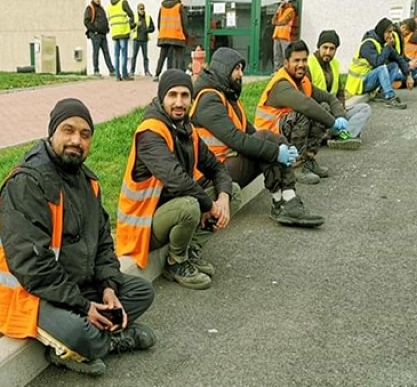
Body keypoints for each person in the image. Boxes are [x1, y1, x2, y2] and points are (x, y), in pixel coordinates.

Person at [0, 98, 155, 377]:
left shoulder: (87, 182)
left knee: (142, 292)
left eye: (85, 134)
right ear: (52, 132)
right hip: (30, 295)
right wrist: (84, 306)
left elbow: (102, 242)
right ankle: (98, 341)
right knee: (79, 331)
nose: (76, 140)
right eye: (68, 130)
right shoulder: (27, 183)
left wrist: (108, 288)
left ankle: (89, 342)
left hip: (77, 287)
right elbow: (33, 268)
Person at [117, 70, 234, 290]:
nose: (179, 102)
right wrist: (209, 206)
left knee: (232, 191)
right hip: (142, 227)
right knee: (190, 205)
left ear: (191, 99)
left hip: (167, 211)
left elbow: (217, 168)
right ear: (162, 98)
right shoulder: (150, 133)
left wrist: (224, 198)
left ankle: (190, 251)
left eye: (184, 95)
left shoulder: (188, 130)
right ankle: (175, 262)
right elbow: (177, 181)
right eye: (172, 95)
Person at [190, 47, 325, 226]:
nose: (241, 74)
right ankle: (282, 202)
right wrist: (275, 152)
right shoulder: (209, 100)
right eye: (237, 69)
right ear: (224, 69)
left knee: (270, 138)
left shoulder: (227, 97)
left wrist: (281, 146)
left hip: (223, 166)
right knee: (266, 142)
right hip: (208, 176)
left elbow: (251, 132)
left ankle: (286, 200)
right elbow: (236, 140)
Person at [255, 40, 347, 184]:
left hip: (284, 130)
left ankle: (307, 158)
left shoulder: (303, 81)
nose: (301, 64)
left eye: (304, 60)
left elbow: (328, 98)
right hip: (269, 136)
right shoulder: (281, 84)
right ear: (286, 63)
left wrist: (340, 116)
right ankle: (295, 165)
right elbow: (306, 105)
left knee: (323, 107)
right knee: (303, 113)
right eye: (296, 60)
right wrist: (332, 122)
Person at [307, 30, 372, 150]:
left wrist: (341, 111)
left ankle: (342, 136)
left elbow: (340, 92)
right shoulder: (308, 64)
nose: (328, 52)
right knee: (324, 106)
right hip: (319, 114)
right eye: (325, 47)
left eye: (332, 49)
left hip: (334, 111)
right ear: (318, 47)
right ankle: (337, 134)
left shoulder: (335, 64)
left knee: (364, 108)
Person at [344, 18, 409, 110]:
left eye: (391, 32)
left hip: (368, 79)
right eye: (388, 32)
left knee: (394, 65)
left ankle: (382, 92)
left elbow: (398, 58)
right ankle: (390, 97)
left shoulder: (382, 42)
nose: (391, 35)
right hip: (359, 83)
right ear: (382, 31)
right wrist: (387, 47)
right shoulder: (368, 44)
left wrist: (408, 74)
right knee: (382, 68)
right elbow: (377, 63)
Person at [153, 0, 189, 81]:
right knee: (179, 57)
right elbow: (184, 23)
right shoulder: (179, 6)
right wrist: (186, 35)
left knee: (162, 57)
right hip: (177, 35)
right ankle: (181, 76)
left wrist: (162, 32)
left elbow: (159, 23)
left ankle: (157, 74)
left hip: (164, 35)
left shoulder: (162, 7)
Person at [84, 0, 116, 77]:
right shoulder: (90, 8)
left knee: (106, 52)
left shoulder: (101, 8)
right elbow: (86, 21)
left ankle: (111, 70)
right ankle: (96, 70)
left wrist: (107, 28)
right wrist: (94, 30)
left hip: (103, 34)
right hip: (95, 34)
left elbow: (104, 20)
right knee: (96, 52)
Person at [109, 0, 136, 81]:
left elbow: (110, 18)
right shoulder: (123, 2)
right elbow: (131, 14)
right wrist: (131, 23)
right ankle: (124, 75)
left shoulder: (110, 6)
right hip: (123, 32)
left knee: (116, 55)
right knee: (123, 54)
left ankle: (117, 75)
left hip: (114, 32)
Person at [272, 0, 296, 71]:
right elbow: (273, 21)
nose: (281, 3)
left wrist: (277, 22)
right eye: (280, 1)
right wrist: (277, 12)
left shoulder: (291, 11)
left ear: (286, 1)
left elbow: (284, 22)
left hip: (285, 36)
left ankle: (286, 70)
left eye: (282, 1)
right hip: (277, 36)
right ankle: (277, 71)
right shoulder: (280, 11)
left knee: (285, 55)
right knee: (277, 55)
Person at [130, 3, 155, 77]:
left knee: (145, 57)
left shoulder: (148, 17)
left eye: (143, 8)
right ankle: (132, 71)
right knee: (134, 56)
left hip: (144, 39)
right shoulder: (134, 17)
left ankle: (146, 71)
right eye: (140, 9)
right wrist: (135, 24)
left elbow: (152, 28)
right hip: (136, 39)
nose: (142, 10)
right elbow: (129, 26)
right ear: (137, 9)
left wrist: (147, 30)